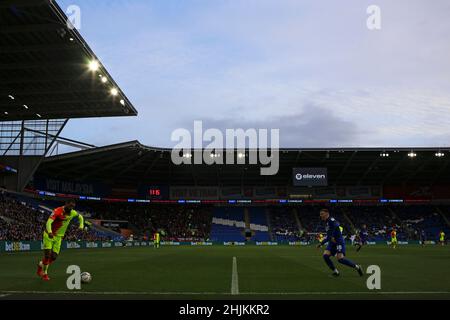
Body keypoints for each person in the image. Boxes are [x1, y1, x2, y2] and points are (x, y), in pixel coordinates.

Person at [36, 200, 85, 281]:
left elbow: (80, 217)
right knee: (47, 255)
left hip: (59, 237)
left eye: (72, 206)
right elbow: (48, 222)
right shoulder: (57, 211)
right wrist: (50, 232)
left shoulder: (73, 213)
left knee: (54, 257)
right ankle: (45, 274)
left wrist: (81, 226)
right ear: (66, 203)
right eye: (70, 205)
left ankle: (41, 264)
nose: (71, 207)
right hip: (49, 235)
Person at [317, 209, 363, 277]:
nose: (321, 215)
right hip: (332, 242)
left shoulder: (331, 220)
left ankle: (357, 267)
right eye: (320, 214)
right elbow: (330, 236)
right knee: (325, 256)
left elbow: (336, 224)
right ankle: (336, 272)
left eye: (322, 214)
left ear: (327, 213)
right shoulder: (327, 222)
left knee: (340, 259)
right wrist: (322, 243)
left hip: (338, 241)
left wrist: (322, 243)